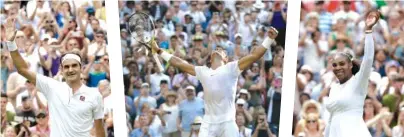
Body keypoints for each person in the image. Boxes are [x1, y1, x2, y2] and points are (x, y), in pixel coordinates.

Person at [151, 25, 279, 137]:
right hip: (208, 122)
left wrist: (269, 39)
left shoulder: (232, 68)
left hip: (227, 121)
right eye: (216, 49)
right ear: (210, 59)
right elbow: (179, 63)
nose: (218, 50)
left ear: (226, 58)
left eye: (222, 50)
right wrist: (158, 51)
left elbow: (254, 56)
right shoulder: (203, 71)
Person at [4, 17, 105, 137]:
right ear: (61, 70)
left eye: (74, 66)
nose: (71, 69)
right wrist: (11, 44)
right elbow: (22, 69)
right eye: (66, 67)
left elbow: (99, 130)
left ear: (80, 67)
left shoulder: (94, 95)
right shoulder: (52, 87)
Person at [324, 10, 379, 137]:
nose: (338, 68)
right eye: (335, 65)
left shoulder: (358, 81)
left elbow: (369, 58)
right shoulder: (334, 88)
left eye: (342, 64)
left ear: (350, 65)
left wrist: (368, 31)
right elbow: (331, 119)